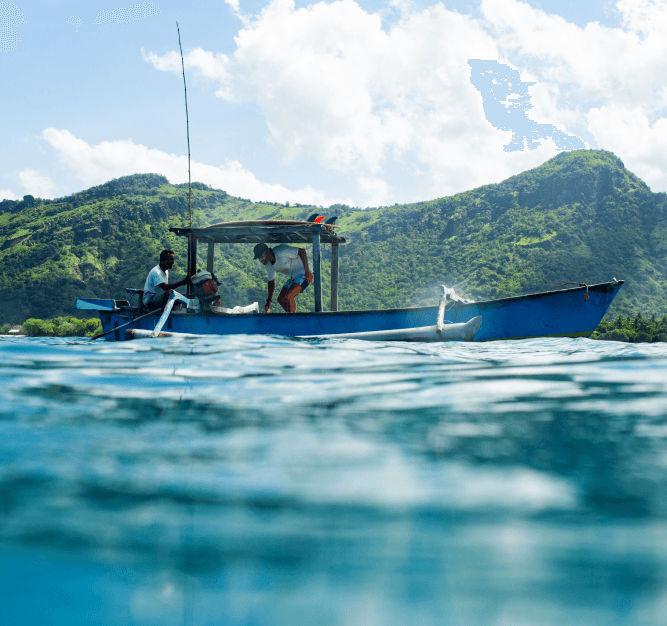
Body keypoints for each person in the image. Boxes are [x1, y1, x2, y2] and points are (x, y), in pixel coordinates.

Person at [254, 243, 313, 313]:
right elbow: (271, 281)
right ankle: (290, 317)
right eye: (259, 258)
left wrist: (307, 271)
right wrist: (269, 300)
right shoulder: (268, 264)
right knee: (281, 299)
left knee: (289, 296)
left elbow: (302, 251)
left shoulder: (280, 251)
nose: (260, 260)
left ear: (268, 251)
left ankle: (292, 320)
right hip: (293, 276)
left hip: (305, 271)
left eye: (261, 256)